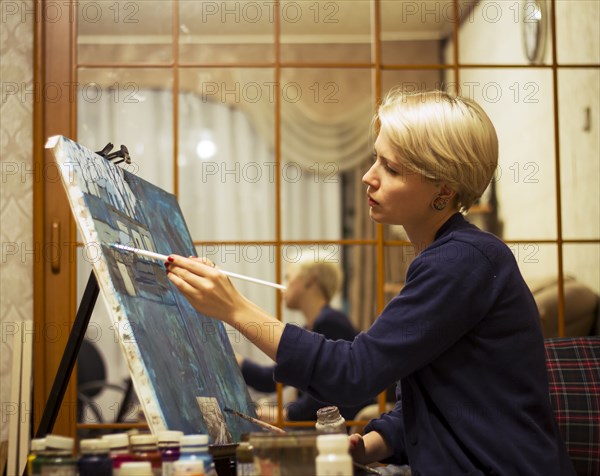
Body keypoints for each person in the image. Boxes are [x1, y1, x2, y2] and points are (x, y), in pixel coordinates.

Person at [165, 90, 575, 475]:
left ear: (443, 189)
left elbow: (352, 373)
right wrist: (371, 443)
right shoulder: (448, 255)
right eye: (375, 160)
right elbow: (437, 400)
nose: (368, 177)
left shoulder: (461, 259)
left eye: (391, 168)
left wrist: (234, 308)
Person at [239, 254, 371, 422]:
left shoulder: (330, 322)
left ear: (310, 280)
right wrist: (237, 361)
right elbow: (271, 378)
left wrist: (284, 414)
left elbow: (325, 391)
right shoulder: (312, 326)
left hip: (339, 429)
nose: (283, 287)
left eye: (289, 278)